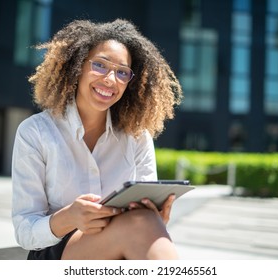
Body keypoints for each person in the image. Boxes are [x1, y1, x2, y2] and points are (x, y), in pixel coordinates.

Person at [11, 18, 183, 260]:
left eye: (122, 72)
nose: (110, 80)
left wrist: (156, 216)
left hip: (124, 244)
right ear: (77, 66)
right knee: (140, 225)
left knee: (143, 221)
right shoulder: (35, 132)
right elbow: (25, 231)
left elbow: (144, 211)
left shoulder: (137, 136)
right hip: (58, 252)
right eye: (100, 65)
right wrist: (69, 217)